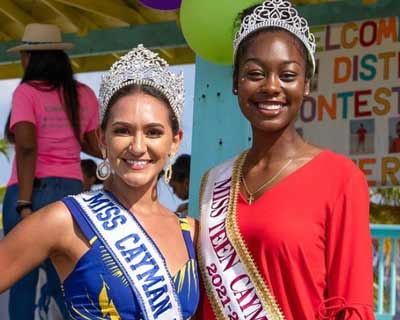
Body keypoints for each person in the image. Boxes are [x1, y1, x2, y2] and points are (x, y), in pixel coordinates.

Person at [197, 1, 374, 319]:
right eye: (255, 73)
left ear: (306, 85)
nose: (271, 87)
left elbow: (353, 305)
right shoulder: (214, 182)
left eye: (288, 75)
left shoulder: (340, 178)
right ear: (235, 82)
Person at [0, 44, 199, 320]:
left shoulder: (192, 232)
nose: (138, 146)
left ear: (174, 141)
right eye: (122, 131)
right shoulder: (64, 220)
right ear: (103, 139)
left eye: (153, 132)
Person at [2, 23, 101, 319]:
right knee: (65, 278)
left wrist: (24, 202)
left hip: (32, 188)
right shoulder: (82, 94)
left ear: (31, 58)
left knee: (21, 279)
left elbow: (27, 147)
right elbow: (93, 145)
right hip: (70, 193)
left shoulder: (26, 92)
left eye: (23, 55)